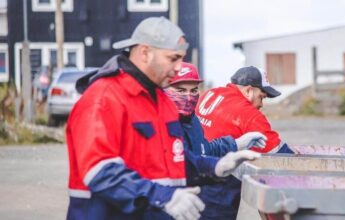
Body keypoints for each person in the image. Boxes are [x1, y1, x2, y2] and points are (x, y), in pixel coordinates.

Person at [66, 17, 262, 220]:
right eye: (172, 58)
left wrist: (215, 166)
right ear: (145, 53)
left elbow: (173, 157)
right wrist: (164, 197)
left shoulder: (161, 100)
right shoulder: (103, 98)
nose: (179, 67)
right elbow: (100, 171)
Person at [195, 66, 295, 219]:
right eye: (261, 97)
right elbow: (279, 154)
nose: (261, 104)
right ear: (249, 90)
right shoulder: (248, 114)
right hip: (219, 185)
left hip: (193, 172)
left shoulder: (209, 94)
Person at [164, 62, 267, 183]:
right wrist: (216, 165)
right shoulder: (162, 123)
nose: (188, 97)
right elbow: (186, 163)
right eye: (180, 90)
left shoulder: (193, 120)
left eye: (193, 90)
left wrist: (237, 144)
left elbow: (204, 150)